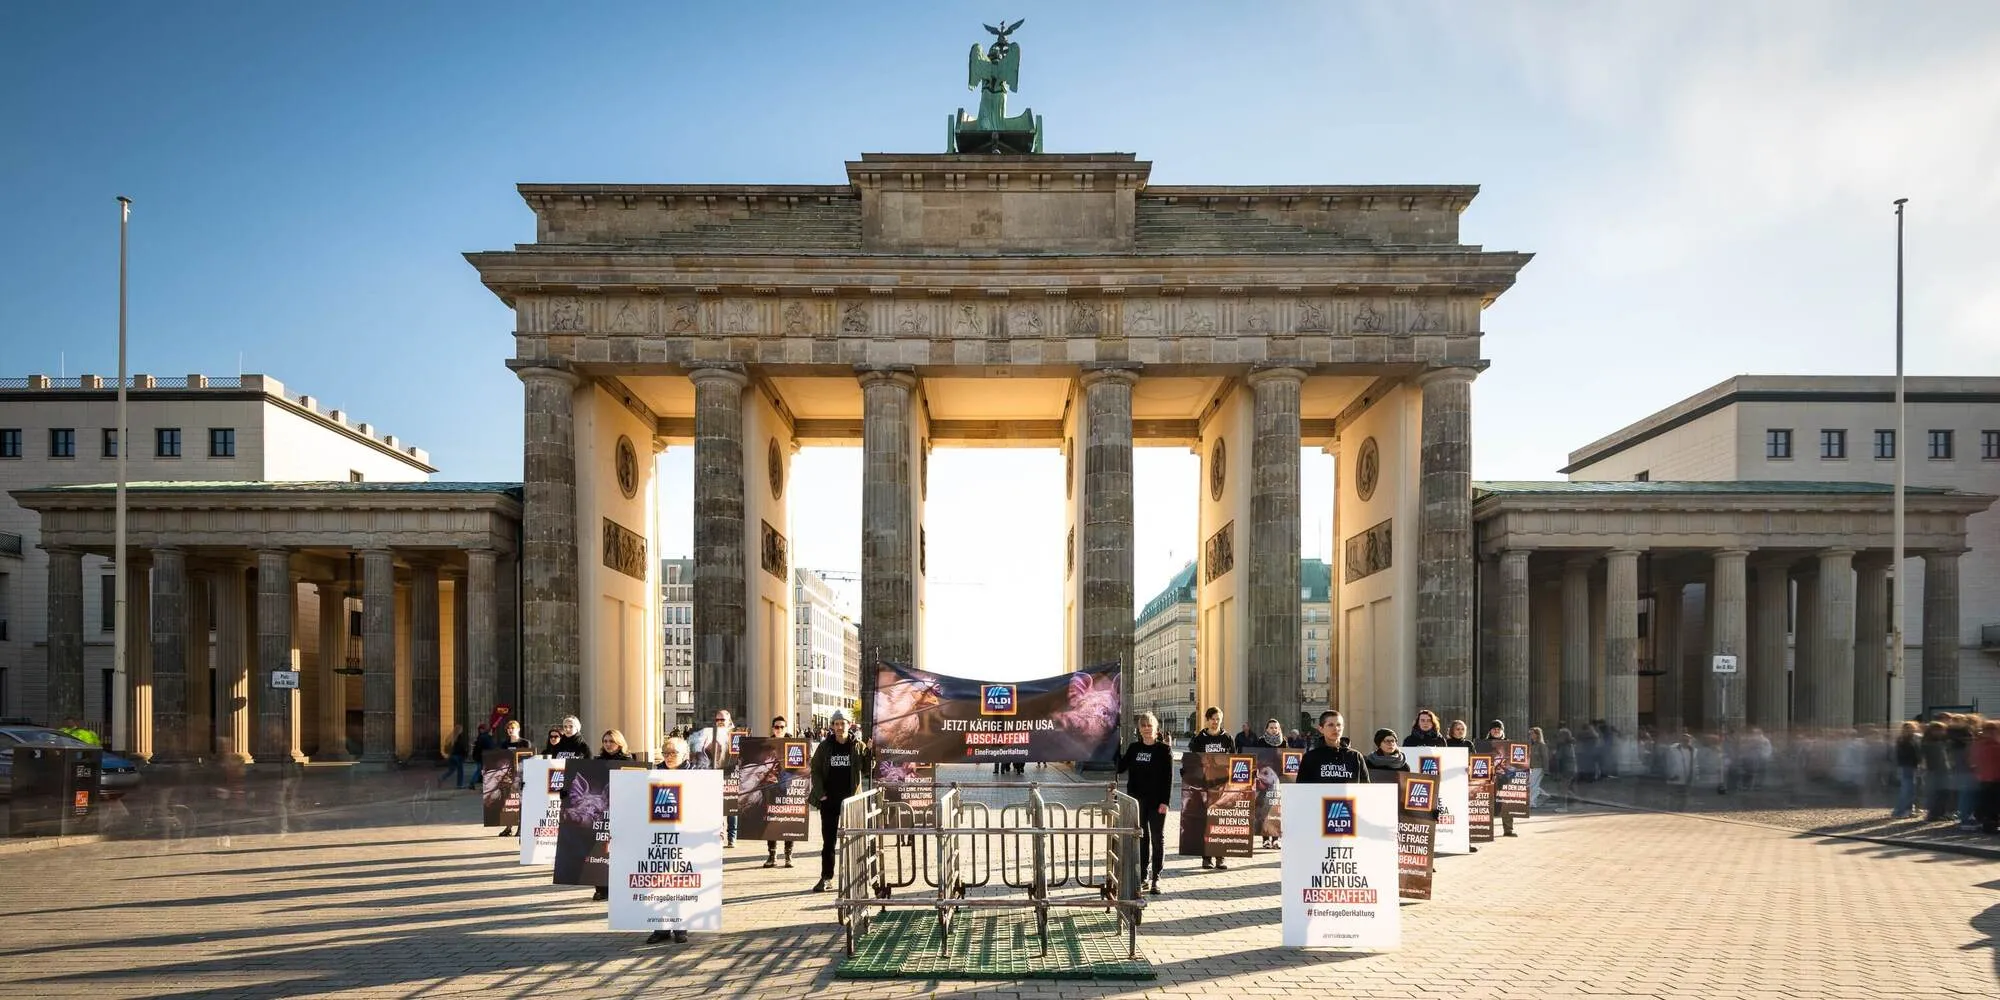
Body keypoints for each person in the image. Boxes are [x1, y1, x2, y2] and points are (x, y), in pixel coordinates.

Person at [809, 711, 868, 893]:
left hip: (852, 802)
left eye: (843, 723)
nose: (840, 727)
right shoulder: (824, 747)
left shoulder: (858, 746)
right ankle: (826, 878)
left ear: (849, 725)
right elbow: (815, 770)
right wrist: (821, 793)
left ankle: (857, 877)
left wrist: (870, 753)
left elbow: (867, 770)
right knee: (829, 842)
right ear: (832, 726)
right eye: (836, 724)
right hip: (830, 802)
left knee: (855, 840)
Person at [1116, 711, 1172, 895]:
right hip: (1137, 801)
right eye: (1143, 726)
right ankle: (1143, 876)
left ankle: (1156, 877)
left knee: (1157, 838)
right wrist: (1115, 747)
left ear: (1156, 728)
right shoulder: (1134, 748)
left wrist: (1165, 802)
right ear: (1139, 729)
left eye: (1150, 725)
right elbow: (1120, 767)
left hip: (1157, 802)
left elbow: (1168, 778)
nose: (1147, 729)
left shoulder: (1164, 750)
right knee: (1142, 838)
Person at [645, 737, 694, 945]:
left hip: (685, 836)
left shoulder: (696, 775)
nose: (669, 757)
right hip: (658, 834)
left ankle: (681, 926)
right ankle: (661, 926)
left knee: (680, 881)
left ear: (685, 755)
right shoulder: (652, 774)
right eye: (666, 753)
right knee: (659, 881)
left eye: (674, 753)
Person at [1187, 707, 1236, 870]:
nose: (1215, 722)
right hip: (1204, 786)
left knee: (1220, 821)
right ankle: (1206, 857)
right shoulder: (1199, 739)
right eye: (1213, 719)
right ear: (1207, 720)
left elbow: (1234, 759)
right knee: (1205, 821)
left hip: (1222, 786)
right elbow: (1193, 760)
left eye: (1218, 719)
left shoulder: (1227, 738)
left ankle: (1220, 857)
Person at [691, 708, 739, 846]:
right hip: (714, 775)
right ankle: (720, 835)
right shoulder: (710, 734)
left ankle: (732, 837)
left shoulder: (737, 734)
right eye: (717, 719)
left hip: (731, 775)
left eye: (722, 719)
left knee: (731, 807)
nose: (719, 722)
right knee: (717, 806)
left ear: (729, 720)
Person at [1298, 711, 1370, 784]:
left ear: (1343, 727)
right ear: (1321, 729)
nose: (1336, 728)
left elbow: (1366, 787)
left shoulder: (1355, 757)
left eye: (1339, 725)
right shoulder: (1310, 757)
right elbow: (1301, 787)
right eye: (1330, 725)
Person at [765, 716, 796, 869]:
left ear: (785, 728)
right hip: (771, 787)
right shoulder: (766, 745)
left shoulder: (794, 744)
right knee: (771, 820)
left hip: (788, 785)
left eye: (782, 727)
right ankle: (772, 855)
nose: (779, 729)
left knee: (790, 820)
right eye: (776, 727)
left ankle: (788, 855)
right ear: (773, 728)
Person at [1477, 720, 1518, 837]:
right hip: (1488, 779)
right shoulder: (1483, 745)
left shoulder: (1509, 744)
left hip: (1506, 778)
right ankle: (1485, 829)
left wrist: (1525, 769)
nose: (1496, 731)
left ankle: (1508, 829)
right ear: (1490, 731)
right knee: (1487, 803)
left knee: (1507, 803)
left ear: (1502, 731)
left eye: (1498, 729)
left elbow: (1517, 761)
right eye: (1494, 729)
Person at [496, 721, 532, 838]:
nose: (510, 730)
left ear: (518, 729)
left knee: (521, 802)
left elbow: (529, 758)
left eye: (513, 728)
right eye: (508, 729)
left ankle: (521, 828)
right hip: (507, 776)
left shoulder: (525, 743)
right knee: (508, 802)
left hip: (522, 776)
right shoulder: (504, 744)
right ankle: (508, 827)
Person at [1971, 720, 2000, 835]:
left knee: (1988, 802)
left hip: (1984, 778)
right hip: (1995, 778)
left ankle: (1988, 825)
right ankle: (1990, 825)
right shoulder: (1995, 745)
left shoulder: (1978, 744)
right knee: (1993, 803)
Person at [1922, 720, 1954, 821]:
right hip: (1937, 771)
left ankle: (1938, 813)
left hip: (1940, 771)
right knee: (1940, 793)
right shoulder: (1931, 744)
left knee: (1941, 793)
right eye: (1939, 730)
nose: (1942, 732)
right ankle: (1935, 814)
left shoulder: (1936, 742)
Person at [1891, 720, 1922, 819]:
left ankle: (1907, 809)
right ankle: (1900, 811)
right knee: (1907, 789)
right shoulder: (1903, 740)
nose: (1910, 730)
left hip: (1911, 766)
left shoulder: (1912, 739)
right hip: (1907, 766)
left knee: (1910, 789)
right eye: (1908, 728)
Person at [1553, 727, 1579, 811]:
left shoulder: (1564, 746)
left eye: (1559, 735)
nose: (1558, 737)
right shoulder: (1569, 744)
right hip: (1570, 768)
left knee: (1562, 788)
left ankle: (1563, 807)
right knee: (1566, 787)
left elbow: (1559, 757)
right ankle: (1573, 802)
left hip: (1566, 769)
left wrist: (1555, 753)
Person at [1528, 727, 1549, 807]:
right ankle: (1544, 795)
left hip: (1539, 767)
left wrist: (1546, 769)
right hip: (1532, 767)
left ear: (1537, 735)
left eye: (1532, 733)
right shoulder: (1532, 745)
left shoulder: (1541, 745)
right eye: (1530, 733)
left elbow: (1545, 757)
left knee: (1533, 784)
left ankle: (1532, 802)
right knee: (1532, 784)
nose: (1531, 735)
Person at [470, 723, 495, 793]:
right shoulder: (485, 737)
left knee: (480, 770)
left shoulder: (481, 737)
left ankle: (473, 783)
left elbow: (478, 748)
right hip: (483, 757)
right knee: (482, 771)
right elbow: (490, 747)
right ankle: (474, 783)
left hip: (480, 756)